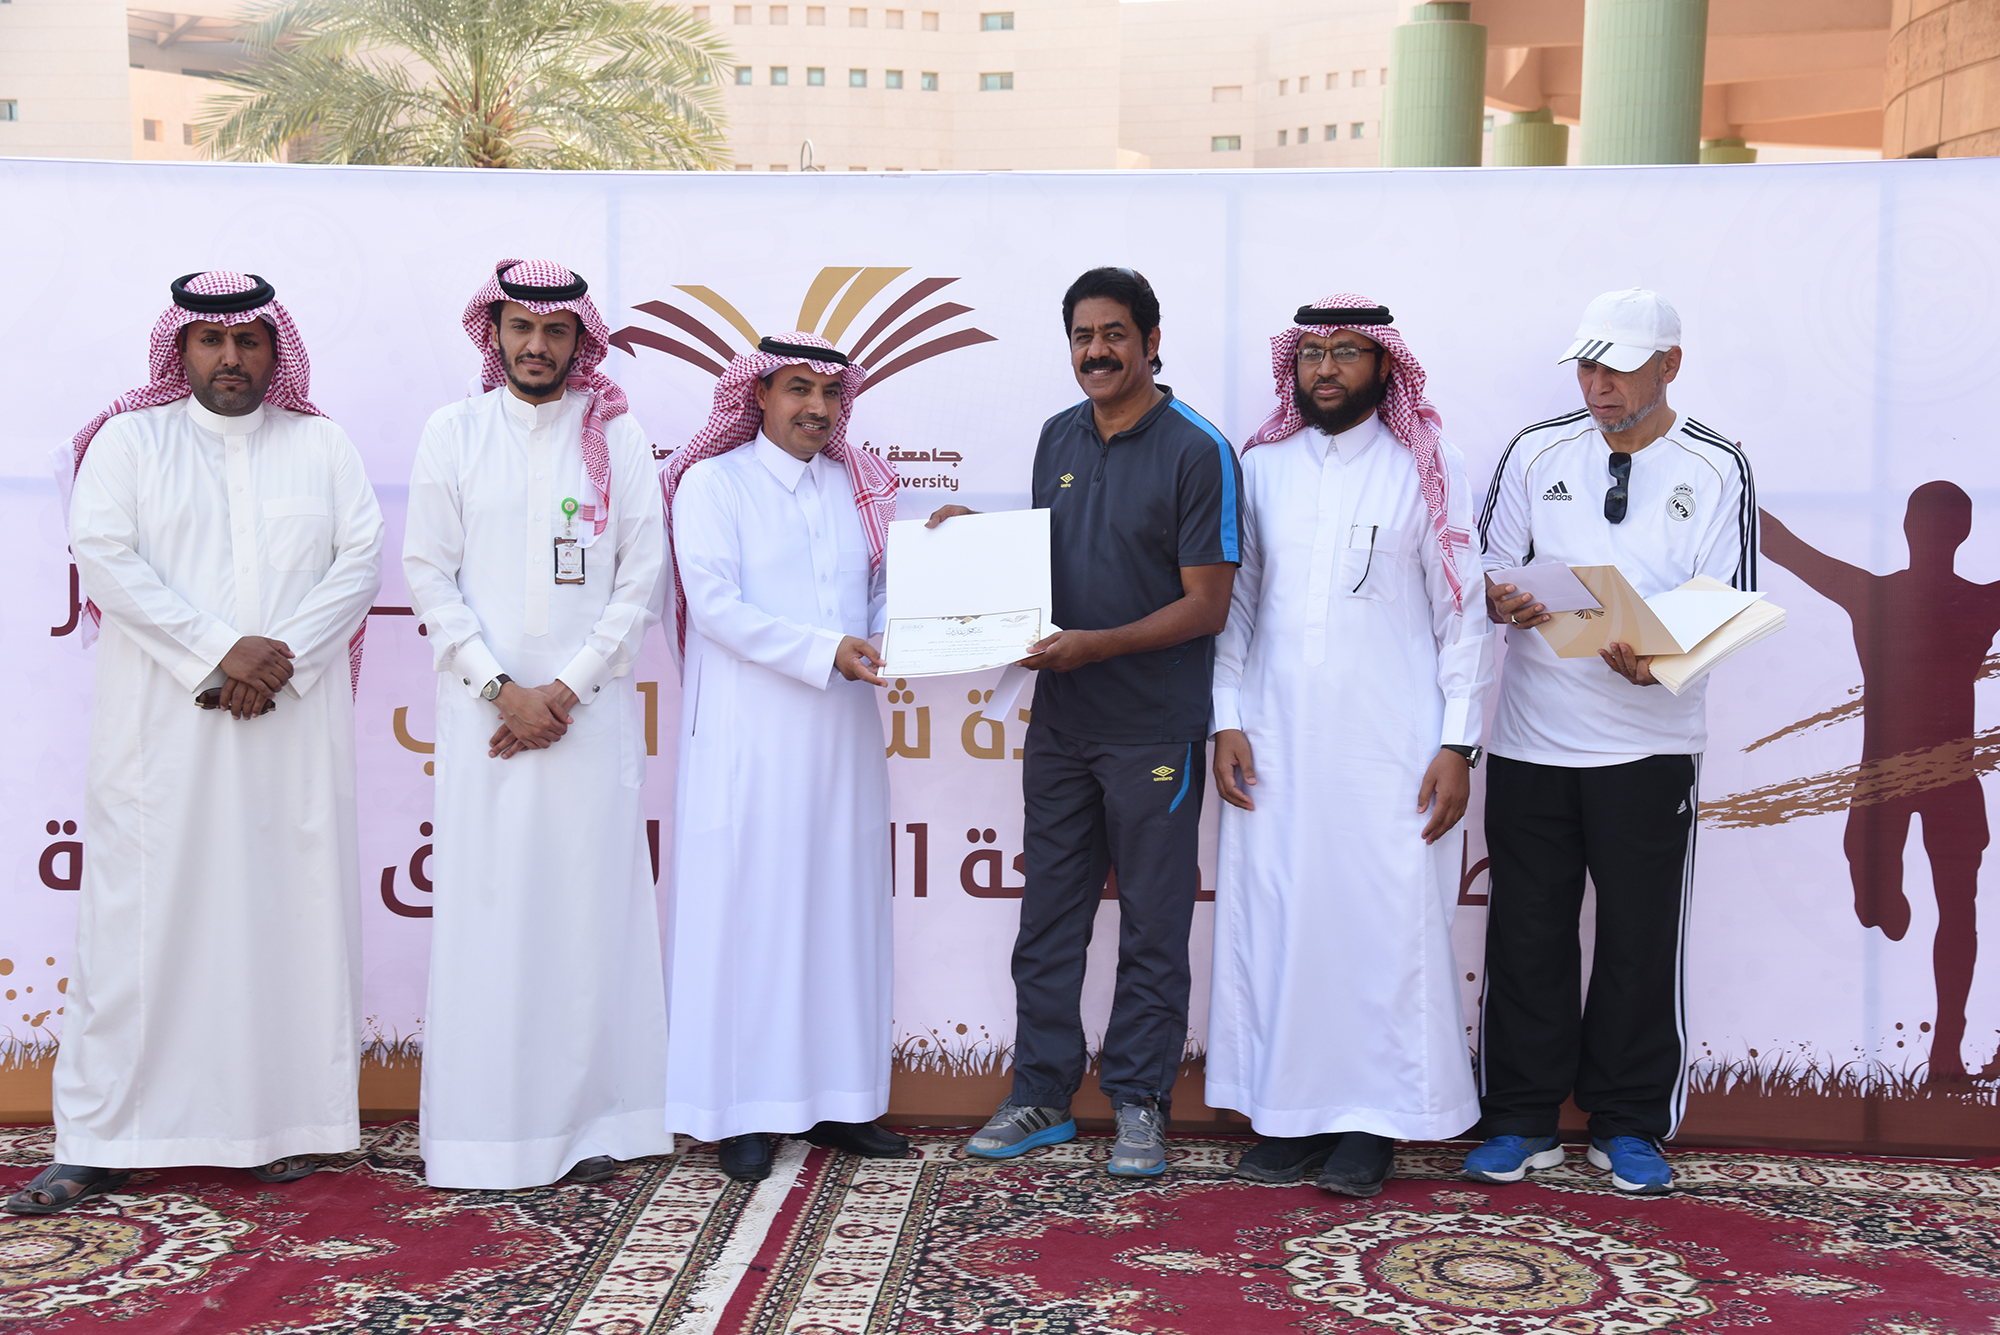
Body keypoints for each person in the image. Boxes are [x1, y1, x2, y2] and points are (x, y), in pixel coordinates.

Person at [7, 271, 383, 1215]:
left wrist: (276, 660)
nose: (230, 358)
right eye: (211, 341)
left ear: (274, 350)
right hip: (161, 736)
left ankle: (283, 1124)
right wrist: (222, 650)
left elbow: (359, 562)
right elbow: (107, 560)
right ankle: (103, 1140)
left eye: (248, 341)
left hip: (288, 729)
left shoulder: (322, 445)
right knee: (139, 933)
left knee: (284, 919)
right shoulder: (130, 443)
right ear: (180, 350)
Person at [934, 266, 1242, 1178]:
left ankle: (1141, 1101)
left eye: (1114, 334)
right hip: (1062, 723)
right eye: (1082, 335)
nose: (1096, 351)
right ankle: (1040, 1093)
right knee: (1048, 918)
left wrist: (1096, 646)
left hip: (1154, 728)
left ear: (1152, 342)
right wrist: (973, 541)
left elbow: (1208, 605)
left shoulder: (1199, 450)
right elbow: (1051, 558)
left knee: (1152, 924)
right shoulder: (1055, 435)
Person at [1469, 288, 1757, 1195]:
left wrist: (1663, 658)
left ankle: (1628, 1124)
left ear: (1670, 365)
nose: (1599, 387)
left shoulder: (1717, 465)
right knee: (1527, 931)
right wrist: (1502, 595)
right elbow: (1484, 563)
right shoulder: (1534, 450)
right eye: (1588, 367)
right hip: (1531, 739)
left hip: (1652, 745)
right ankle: (1520, 1119)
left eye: (1620, 369)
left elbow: (1730, 598)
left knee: (1639, 938)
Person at [1208, 295, 1492, 1196]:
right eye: (1311, 354)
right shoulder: (1260, 467)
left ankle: (1376, 1120)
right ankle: (1290, 1113)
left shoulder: (1429, 465)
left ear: (1383, 366)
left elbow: (1464, 615)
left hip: (1393, 743)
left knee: (1385, 926)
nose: (1324, 369)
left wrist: (1458, 742)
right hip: (1275, 738)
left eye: (1345, 352)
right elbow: (1235, 604)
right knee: (1284, 921)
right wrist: (1225, 714)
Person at [403, 259, 671, 1190]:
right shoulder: (453, 433)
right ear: (494, 333)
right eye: (520, 327)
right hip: (485, 723)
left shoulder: (617, 436)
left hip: (586, 721)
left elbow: (641, 578)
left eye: (556, 330)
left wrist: (562, 689)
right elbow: (427, 573)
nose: (537, 345)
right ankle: (484, 1135)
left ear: (579, 341)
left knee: (588, 919)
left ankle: (598, 1122)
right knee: (489, 919)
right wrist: (500, 689)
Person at [660, 332, 906, 1183]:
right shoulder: (713, 483)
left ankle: (840, 1099)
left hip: (842, 736)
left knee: (840, 911)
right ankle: (742, 1112)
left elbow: (882, 592)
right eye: (798, 389)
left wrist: (906, 617)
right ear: (758, 395)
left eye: (830, 393)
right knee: (752, 917)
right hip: (749, 741)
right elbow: (715, 606)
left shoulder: (858, 484)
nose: (816, 407)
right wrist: (825, 649)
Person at [1761, 486, 2000, 1083]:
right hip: (1907, 779)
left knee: (1955, 911)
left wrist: (1732, 485)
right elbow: (1783, 546)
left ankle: (1945, 1056)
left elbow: (1784, 545)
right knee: (1907, 906)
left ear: (1910, 525)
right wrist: (1730, 480)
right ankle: (1884, 905)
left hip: (1933, 780)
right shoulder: (1956, 600)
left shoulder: (1885, 593)